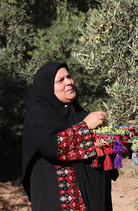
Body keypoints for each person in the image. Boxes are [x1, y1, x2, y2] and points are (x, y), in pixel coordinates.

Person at [22, 62, 118, 211]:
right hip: (57, 200)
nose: (69, 82)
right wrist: (84, 127)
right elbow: (53, 148)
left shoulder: (77, 112)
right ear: (48, 88)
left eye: (69, 76)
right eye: (61, 80)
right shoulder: (37, 117)